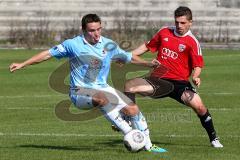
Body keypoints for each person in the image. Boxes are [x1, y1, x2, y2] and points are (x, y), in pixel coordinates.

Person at [9, 14, 167, 152]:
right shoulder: (73, 44)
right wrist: (23, 64)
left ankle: (148, 145)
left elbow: (128, 57)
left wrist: (147, 64)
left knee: (133, 109)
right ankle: (129, 133)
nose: (96, 34)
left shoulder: (108, 44)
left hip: (103, 87)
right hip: (79, 92)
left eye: (99, 29)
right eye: (92, 30)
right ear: (83, 30)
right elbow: (47, 54)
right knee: (102, 98)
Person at [123, 6, 223, 148]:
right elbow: (147, 46)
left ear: (190, 23)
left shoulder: (192, 42)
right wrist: (127, 55)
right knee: (129, 86)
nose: (179, 25)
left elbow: (198, 65)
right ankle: (129, 119)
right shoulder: (164, 32)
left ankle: (214, 138)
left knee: (200, 107)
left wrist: (195, 77)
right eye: (177, 22)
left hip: (180, 84)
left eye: (183, 23)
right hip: (158, 81)